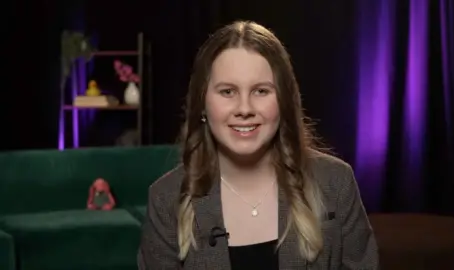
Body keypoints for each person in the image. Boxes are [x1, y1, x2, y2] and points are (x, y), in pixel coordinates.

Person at [137, 20, 379, 270]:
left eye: (261, 91)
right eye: (228, 92)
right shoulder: (166, 200)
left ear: (284, 101)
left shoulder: (335, 182)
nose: (244, 109)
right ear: (203, 104)